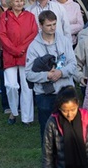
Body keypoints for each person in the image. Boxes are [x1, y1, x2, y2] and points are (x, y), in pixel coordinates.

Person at [26, 11, 77, 140]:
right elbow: (29, 74)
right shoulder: (33, 46)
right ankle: (48, 159)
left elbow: (73, 64)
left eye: (54, 24)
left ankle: (67, 158)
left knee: (68, 129)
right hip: (44, 94)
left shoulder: (64, 41)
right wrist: (47, 75)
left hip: (65, 91)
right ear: (41, 25)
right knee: (47, 130)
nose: (52, 28)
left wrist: (61, 72)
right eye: (49, 25)